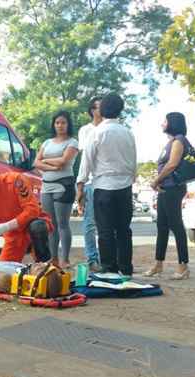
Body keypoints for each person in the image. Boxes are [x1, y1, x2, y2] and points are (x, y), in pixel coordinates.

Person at [75, 93, 137, 275]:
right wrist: (130, 179)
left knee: (105, 231)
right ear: (120, 110)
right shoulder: (128, 133)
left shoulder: (96, 132)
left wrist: (80, 185)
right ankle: (126, 269)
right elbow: (133, 161)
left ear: (102, 110)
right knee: (124, 230)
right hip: (125, 187)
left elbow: (86, 161)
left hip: (103, 187)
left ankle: (109, 268)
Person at [143, 112, 191, 280]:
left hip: (173, 188)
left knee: (176, 226)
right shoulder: (170, 142)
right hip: (165, 188)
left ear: (173, 122)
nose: (162, 123)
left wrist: (156, 180)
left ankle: (183, 265)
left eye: (165, 120)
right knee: (162, 227)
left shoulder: (179, 140)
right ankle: (158, 264)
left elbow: (172, 164)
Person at [34, 110, 79, 269]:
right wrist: (50, 165)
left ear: (68, 124)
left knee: (62, 224)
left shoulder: (72, 142)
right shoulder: (46, 142)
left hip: (63, 185)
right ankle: (53, 259)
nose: (60, 125)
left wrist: (45, 161)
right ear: (54, 124)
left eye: (63, 122)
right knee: (50, 225)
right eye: (57, 122)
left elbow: (63, 162)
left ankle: (65, 259)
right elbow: (36, 163)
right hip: (46, 186)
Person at [76, 97, 103, 272]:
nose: (103, 110)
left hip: (107, 181)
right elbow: (84, 158)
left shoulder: (112, 128)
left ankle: (107, 259)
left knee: (106, 225)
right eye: (99, 107)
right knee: (90, 223)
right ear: (92, 110)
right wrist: (81, 185)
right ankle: (92, 259)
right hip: (91, 182)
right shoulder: (85, 130)